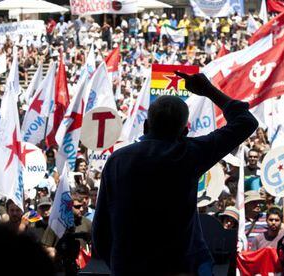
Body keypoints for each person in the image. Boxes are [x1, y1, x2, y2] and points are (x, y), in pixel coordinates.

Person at [92, 72, 258, 275]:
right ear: (185, 132)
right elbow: (246, 122)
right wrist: (208, 90)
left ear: (146, 126)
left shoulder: (117, 161)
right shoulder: (190, 154)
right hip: (176, 267)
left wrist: (120, 264)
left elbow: (101, 229)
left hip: (126, 267)